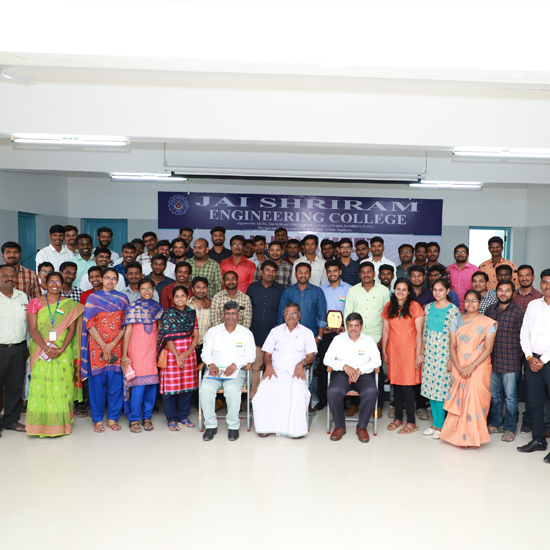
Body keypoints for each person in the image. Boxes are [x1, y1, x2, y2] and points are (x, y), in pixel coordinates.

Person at [26, 272, 84, 437]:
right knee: (41, 385)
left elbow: (72, 329)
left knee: (63, 386)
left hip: (63, 352)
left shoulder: (70, 305)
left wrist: (61, 348)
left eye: (58, 282)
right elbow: (33, 329)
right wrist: (46, 348)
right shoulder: (35, 302)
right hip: (40, 350)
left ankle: (61, 424)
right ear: (45, 283)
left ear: (62, 284)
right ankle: (39, 425)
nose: (55, 285)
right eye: (51, 281)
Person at [440, 289, 497, 448]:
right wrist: (458, 366)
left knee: (475, 400)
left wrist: (472, 366)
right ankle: (457, 435)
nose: (470, 303)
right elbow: (452, 346)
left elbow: (488, 349)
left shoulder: (487, 323)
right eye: (467, 300)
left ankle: (473, 437)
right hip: (459, 365)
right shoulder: (457, 321)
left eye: (474, 300)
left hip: (479, 366)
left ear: (480, 303)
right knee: (460, 399)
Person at [253, 302, 317, 438]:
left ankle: (295, 430)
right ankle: (266, 427)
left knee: (296, 391)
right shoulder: (275, 331)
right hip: (275, 371)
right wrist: (268, 366)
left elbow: (311, 356)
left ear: (299, 315)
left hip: (296, 373)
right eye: (288, 313)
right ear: (284, 315)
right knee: (263, 390)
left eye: (294, 313)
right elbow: (267, 354)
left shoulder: (307, 333)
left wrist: (301, 363)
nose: (291, 316)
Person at [81, 267, 130, 433]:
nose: (110, 281)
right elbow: (89, 324)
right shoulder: (93, 298)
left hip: (116, 346)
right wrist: (104, 345)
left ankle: (112, 419)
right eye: (107, 277)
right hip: (97, 347)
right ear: (101, 279)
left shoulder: (122, 298)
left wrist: (112, 344)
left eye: (114, 278)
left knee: (116, 384)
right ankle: (97, 420)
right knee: (97, 385)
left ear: (118, 281)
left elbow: (125, 325)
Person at [200, 301, 256, 441]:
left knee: (232, 390)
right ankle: (210, 425)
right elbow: (205, 352)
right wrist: (211, 364)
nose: (230, 316)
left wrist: (235, 365)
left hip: (236, 372)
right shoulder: (213, 332)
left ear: (238, 315)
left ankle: (233, 426)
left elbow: (251, 356)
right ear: (222, 314)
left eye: (233, 313)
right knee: (205, 389)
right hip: (214, 371)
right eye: (227, 313)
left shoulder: (246, 334)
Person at [325, 313, 381, 442]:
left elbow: (377, 361)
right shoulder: (338, 339)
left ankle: (362, 427)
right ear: (346, 326)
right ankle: (339, 426)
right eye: (350, 325)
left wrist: (359, 370)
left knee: (371, 392)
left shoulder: (369, 340)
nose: (353, 328)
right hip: (342, 374)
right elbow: (327, 359)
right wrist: (345, 367)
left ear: (361, 326)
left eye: (356, 325)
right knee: (333, 391)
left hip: (363, 374)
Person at [344, 262, 390, 416]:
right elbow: (348, 315)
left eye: (369, 272)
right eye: (363, 272)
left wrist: (383, 339)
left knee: (377, 371)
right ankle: (354, 404)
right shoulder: (353, 291)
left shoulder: (384, 291)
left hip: (377, 338)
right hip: (356, 338)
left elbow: (387, 316)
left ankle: (378, 405)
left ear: (374, 273)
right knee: (356, 368)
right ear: (359, 274)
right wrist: (350, 338)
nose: (366, 275)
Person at [120, 279, 163, 433]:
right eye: (143, 289)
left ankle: (147, 417)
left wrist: (160, 351)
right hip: (136, 350)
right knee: (139, 386)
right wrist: (124, 356)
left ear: (153, 290)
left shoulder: (158, 307)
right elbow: (127, 333)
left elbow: (160, 331)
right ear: (138, 291)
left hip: (152, 350)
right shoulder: (132, 307)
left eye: (149, 289)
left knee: (151, 384)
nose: (146, 292)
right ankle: (134, 419)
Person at [382, 278, 424, 434]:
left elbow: (419, 332)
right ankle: (398, 418)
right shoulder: (389, 307)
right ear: (394, 290)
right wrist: (384, 351)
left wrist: (419, 354)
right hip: (394, 351)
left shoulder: (415, 306)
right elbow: (386, 330)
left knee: (407, 386)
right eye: (398, 289)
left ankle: (412, 422)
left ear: (408, 292)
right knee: (396, 385)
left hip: (410, 351)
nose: (400, 292)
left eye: (404, 289)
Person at [485, 280, 524, 442]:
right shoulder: (490, 310)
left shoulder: (518, 312)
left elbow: (524, 337)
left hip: (510, 361)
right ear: (496, 292)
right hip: (492, 359)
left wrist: (518, 355)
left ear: (513, 293)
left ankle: (510, 427)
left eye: (507, 290)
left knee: (511, 397)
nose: (503, 293)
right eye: (500, 290)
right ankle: (495, 423)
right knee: (494, 395)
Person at [421, 278, 460, 439]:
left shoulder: (453, 310)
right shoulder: (428, 308)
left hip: (444, 355)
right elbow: (424, 332)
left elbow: (456, 337)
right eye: (435, 290)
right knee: (431, 389)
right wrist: (422, 353)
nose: (437, 293)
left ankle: (442, 425)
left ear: (447, 291)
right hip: (430, 354)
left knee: (442, 390)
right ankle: (435, 424)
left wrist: (452, 359)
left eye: (441, 290)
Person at [518, 269, 550, 462]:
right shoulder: (533, 305)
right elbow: (524, 333)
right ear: (540, 283)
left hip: (547, 360)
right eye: (545, 282)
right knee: (535, 402)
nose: (548, 286)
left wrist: (543, 360)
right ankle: (538, 440)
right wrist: (530, 357)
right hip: (532, 360)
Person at [157, 285, 199, 431]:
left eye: (183, 296)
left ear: (187, 297)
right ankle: (171, 419)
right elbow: (167, 337)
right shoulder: (168, 314)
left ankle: (183, 417)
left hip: (189, 354)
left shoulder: (191, 314)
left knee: (187, 388)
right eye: (177, 296)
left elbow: (196, 335)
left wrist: (187, 353)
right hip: (171, 355)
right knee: (170, 389)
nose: (180, 299)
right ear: (173, 299)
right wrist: (178, 357)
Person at [316, 260, 352, 411]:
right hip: (325, 333)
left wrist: (346, 327)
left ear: (340, 272)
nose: (332, 274)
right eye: (329, 271)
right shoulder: (320, 289)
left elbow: (351, 310)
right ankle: (323, 398)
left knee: (343, 365)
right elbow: (318, 310)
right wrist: (322, 327)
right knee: (324, 365)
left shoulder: (349, 289)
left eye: (335, 271)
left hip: (343, 334)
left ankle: (343, 399)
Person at [513, 264, 544, 435]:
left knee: (533, 387)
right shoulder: (512, 295)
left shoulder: (540, 297)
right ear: (517, 277)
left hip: (534, 350)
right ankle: (514, 417)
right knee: (516, 384)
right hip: (514, 347)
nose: (524, 278)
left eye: (527, 275)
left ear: (533, 278)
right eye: (521, 275)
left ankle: (529, 419)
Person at [246, 260, 284, 398]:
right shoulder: (252, 288)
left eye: (273, 271)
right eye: (267, 270)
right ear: (261, 272)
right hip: (255, 336)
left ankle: (273, 398)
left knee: (275, 368)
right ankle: (254, 399)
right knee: (255, 368)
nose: (270, 273)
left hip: (274, 339)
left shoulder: (281, 290)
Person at [0, 264, 29, 435]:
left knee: (15, 386)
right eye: (5, 275)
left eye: (12, 276)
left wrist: (28, 347)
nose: (9, 279)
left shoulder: (22, 296)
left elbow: (28, 322)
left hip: (19, 348)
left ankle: (11, 420)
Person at [278, 262, 327, 346]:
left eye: (306, 272)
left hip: (311, 335)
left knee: (310, 355)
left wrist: (319, 337)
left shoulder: (318, 292)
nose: (303, 275)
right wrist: (281, 336)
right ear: (295, 274)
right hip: (290, 335)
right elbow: (281, 315)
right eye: (300, 272)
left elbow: (322, 315)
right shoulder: (288, 292)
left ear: (310, 275)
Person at [187, 277, 211, 363]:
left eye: (204, 287)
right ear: (192, 289)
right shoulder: (186, 306)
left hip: (207, 348)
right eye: (198, 287)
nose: (201, 290)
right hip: (188, 347)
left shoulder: (212, 306)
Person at [448, 244, 478, 311]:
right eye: (457, 252)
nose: (460, 255)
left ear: (468, 254)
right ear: (454, 255)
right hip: (451, 307)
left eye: (463, 252)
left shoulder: (475, 270)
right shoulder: (448, 269)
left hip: (469, 307)